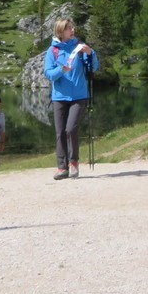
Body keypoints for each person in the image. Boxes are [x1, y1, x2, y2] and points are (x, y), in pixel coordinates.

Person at [44, 17, 99, 180]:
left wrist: (90, 53)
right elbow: (48, 73)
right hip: (59, 97)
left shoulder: (79, 48)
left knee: (70, 129)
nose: (72, 30)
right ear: (61, 31)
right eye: (69, 28)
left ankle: (73, 163)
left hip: (79, 96)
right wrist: (61, 70)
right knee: (60, 132)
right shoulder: (52, 51)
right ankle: (62, 167)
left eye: (72, 27)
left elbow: (93, 67)